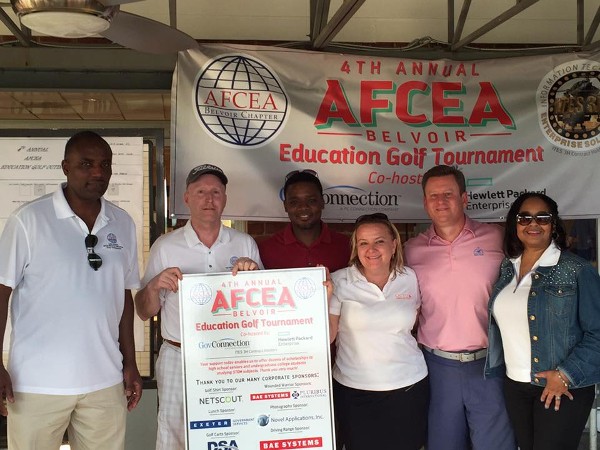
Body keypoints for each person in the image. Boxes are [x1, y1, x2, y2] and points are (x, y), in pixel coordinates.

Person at [0, 130, 142, 449]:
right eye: (86, 164)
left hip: (105, 381)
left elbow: (123, 296)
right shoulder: (29, 220)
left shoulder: (122, 223)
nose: (97, 173)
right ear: (65, 167)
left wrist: (129, 362)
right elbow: (2, 292)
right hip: (37, 383)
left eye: (105, 164)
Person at [135, 163, 262, 450]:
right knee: (175, 433)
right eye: (201, 191)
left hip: (233, 357)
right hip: (179, 355)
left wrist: (252, 278)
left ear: (225, 199)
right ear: (187, 199)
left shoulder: (244, 244)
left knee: (235, 429)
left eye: (216, 192)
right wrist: (155, 285)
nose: (209, 199)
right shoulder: (165, 246)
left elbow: (262, 310)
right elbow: (143, 310)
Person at [404, 164, 516, 450]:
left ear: (464, 198)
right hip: (436, 365)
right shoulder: (411, 250)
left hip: (490, 363)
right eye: (433, 196)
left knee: (495, 444)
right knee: (443, 444)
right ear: (425, 202)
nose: (440, 202)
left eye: (448, 194)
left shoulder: (496, 238)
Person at [485, 192, 600, 450]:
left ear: (554, 224)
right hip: (515, 386)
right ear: (515, 224)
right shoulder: (507, 268)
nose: (533, 224)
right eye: (524, 217)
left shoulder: (577, 270)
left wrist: (565, 375)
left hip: (560, 385)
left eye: (542, 217)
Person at [328, 213, 428, 450]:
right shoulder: (339, 281)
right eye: (363, 243)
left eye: (379, 241)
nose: (371, 249)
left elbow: (415, 320)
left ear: (394, 244)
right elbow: (328, 337)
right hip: (355, 391)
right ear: (356, 247)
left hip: (409, 386)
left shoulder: (410, 278)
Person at [258, 169, 350, 271]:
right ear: (285, 206)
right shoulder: (266, 250)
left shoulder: (346, 246)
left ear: (322, 202)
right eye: (294, 202)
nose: (303, 207)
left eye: (311, 201)